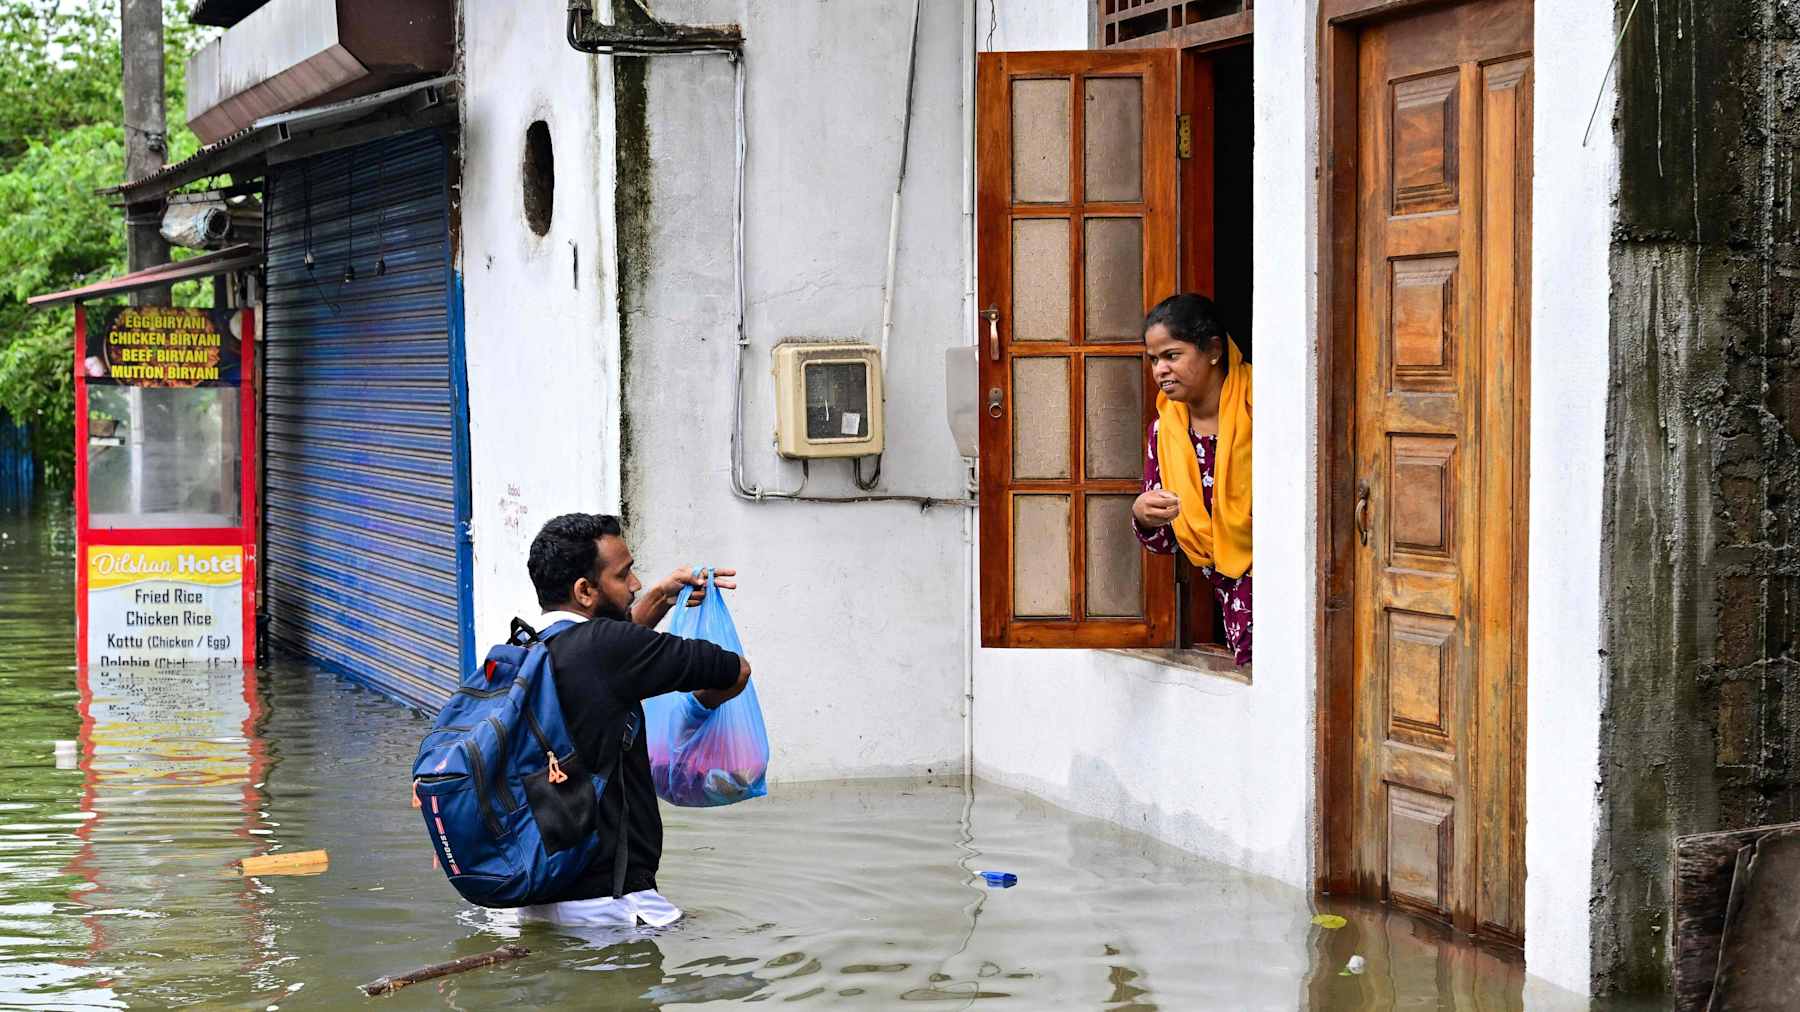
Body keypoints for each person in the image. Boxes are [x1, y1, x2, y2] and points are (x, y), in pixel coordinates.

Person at [515, 512, 751, 928]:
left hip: (530, 904)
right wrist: (692, 718)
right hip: (614, 906)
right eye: (624, 575)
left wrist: (661, 596)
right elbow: (735, 670)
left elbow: (613, 653)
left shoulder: (521, 652)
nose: (637, 584)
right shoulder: (609, 649)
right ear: (585, 590)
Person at [1131, 294, 1254, 665]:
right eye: (1154, 359)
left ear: (1213, 350)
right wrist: (1143, 514)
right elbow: (1169, 538)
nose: (1160, 370)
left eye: (1172, 355)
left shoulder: (1265, 406)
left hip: (1291, 587)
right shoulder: (1164, 432)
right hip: (1233, 603)